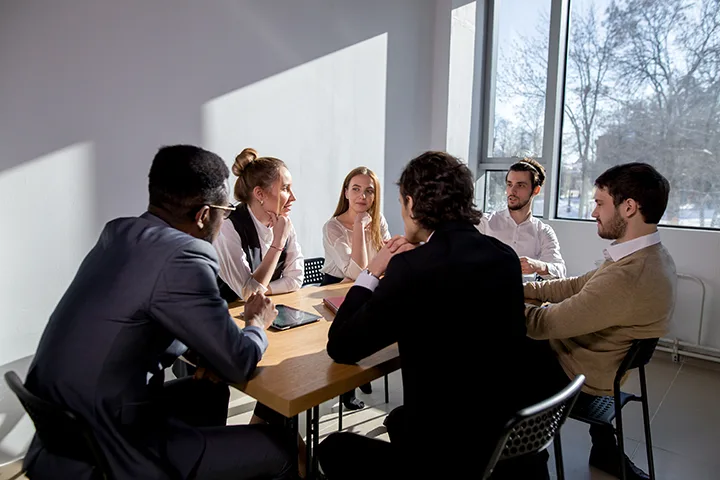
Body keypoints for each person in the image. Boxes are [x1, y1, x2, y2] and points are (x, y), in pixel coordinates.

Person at [22, 145, 297, 480]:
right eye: (224, 212)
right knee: (282, 448)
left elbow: (136, 318)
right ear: (203, 215)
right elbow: (239, 362)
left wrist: (205, 349)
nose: (224, 219)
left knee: (208, 393)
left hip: (62, 435)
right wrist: (256, 322)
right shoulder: (185, 256)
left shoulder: (118, 234)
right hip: (109, 445)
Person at [317, 151, 548, 479]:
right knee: (399, 418)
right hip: (501, 438)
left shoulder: (411, 268)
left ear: (411, 204)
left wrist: (373, 271)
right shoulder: (504, 256)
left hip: (446, 455)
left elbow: (342, 347)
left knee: (332, 448)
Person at [523, 163, 677, 480]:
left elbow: (543, 325)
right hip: (603, 363)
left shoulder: (629, 276)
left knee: (495, 346)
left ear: (629, 207)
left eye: (599, 203)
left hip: (580, 374)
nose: (594, 212)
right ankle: (605, 449)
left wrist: (492, 301)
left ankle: (527, 460)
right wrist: (524, 290)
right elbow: (576, 285)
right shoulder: (646, 255)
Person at [321, 166, 391, 410]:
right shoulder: (333, 227)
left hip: (368, 285)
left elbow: (386, 256)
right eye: (356, 189)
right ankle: (346, 391)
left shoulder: (378, 219)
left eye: (369, 191)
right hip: (336, 288)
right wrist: (360, 226)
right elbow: (355, 272)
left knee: (369, 329)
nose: (363, 196)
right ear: (346, 193)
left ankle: (361, 374)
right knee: (346, 335)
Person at [214, 148, 304, 303]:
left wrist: (260, 290)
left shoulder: (283, 222)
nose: (293, 197)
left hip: (263, 311)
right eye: (285, 188)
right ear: (260, 194)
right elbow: (248, 293)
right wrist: (278, 243)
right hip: (226, 317)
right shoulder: (228, 227)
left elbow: (296, 279)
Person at [477, 158, 566, 279]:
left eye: (520, 185)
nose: (512, 191)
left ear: (536, 190)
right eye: (509, 184)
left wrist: (538, 266)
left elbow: (560, 271)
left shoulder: (543, 231)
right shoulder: (485, 223)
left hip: (526, 295)